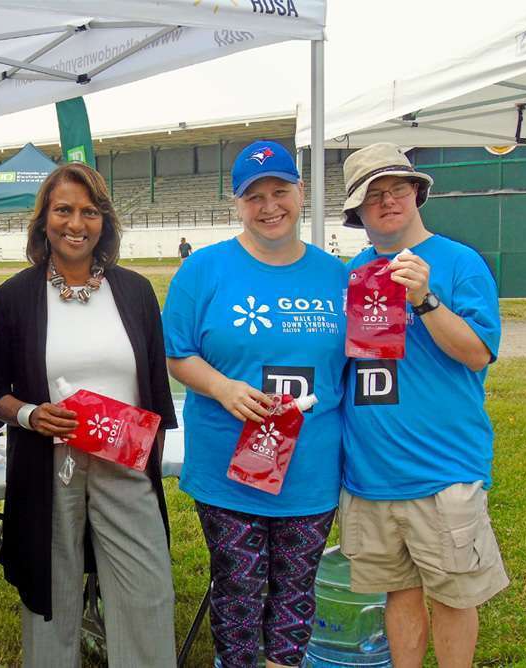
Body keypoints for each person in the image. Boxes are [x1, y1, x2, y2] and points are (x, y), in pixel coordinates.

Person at [0, 162, 178, 668]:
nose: (76, 223)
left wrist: (145, 448)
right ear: (43, 219)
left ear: (104, 222)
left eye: (89, 211)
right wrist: (28, 415)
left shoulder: (134, 293)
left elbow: (154, 385)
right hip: (50, 467)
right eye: (63, 209)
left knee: (147, 590)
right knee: (52, 595)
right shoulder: (14, 297)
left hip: (124, 463)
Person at [162, 140, 348, 668]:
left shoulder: (337, 276)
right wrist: (224, 388)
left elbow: (358, 364)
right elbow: (176, 354)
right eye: (254, 196)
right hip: (228, 465)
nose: (270, 206)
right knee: (238, 592)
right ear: (236, 203)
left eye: (280, 191)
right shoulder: (203, 270)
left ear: (301, 192)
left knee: (295, 593)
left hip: (310, 468)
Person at [337, 142, 508, 668]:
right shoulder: (350, 272)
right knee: (398, 594)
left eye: (398, 189)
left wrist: (425, 300)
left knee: (455, 598)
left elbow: (478, 354)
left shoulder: (459, 262)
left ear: (417, 193)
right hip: (370, 474)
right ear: (358, 212)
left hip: (443, 472)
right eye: (374, 196)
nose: (388, 202)